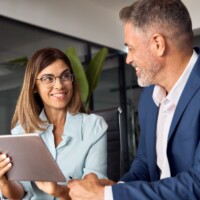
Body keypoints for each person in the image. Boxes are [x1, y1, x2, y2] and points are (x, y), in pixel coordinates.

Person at [67, 0, 200, 199]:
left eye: (131, 48)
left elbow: (196, 184)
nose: (128, 59)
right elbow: (145, 164)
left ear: (158, 44)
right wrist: (118, 186)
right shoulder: (149, 96)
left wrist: (109, 195)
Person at [0, 47, 108, 199]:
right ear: (34, 87)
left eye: (65, 76)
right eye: (48, 78)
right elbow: (20, 193)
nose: (59, 85)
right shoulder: (22, 133)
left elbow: (95, 193)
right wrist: (3, 182)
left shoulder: (94, 127)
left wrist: (57, 190)